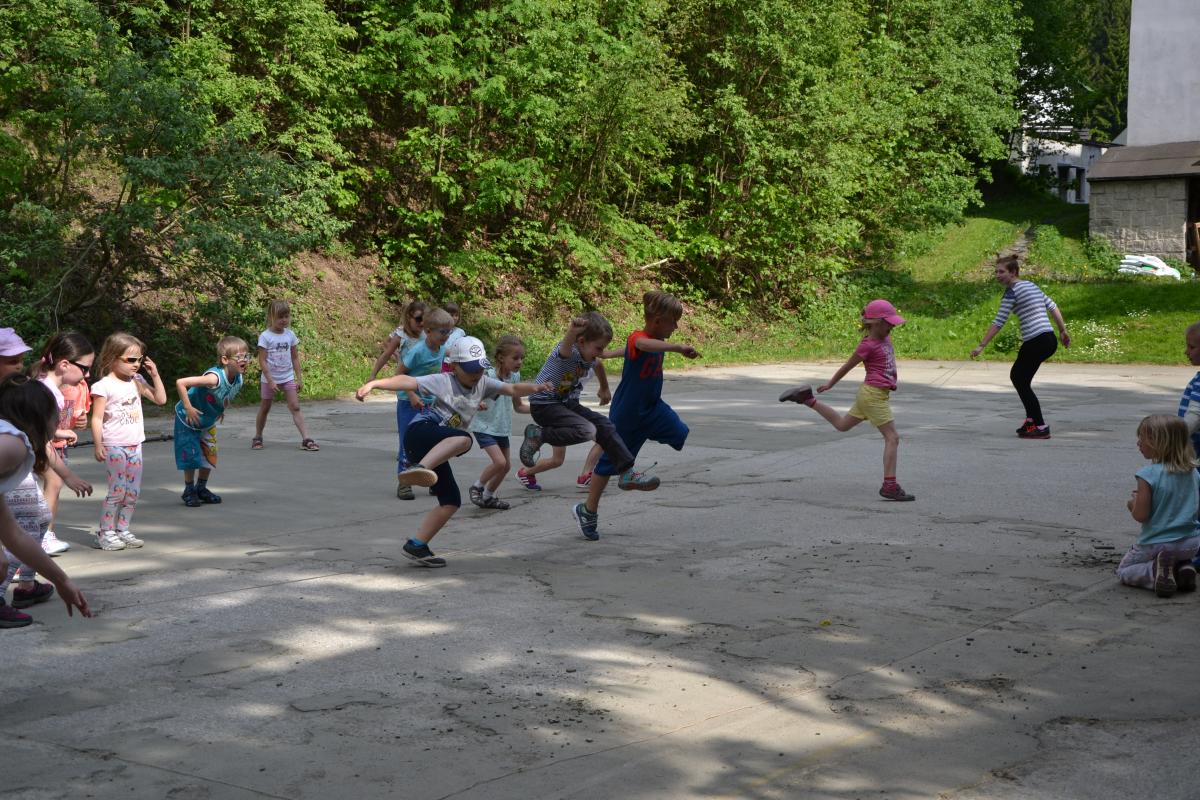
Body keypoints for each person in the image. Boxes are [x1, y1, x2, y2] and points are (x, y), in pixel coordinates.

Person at [355, 336, 552, 566]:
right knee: (464, 439)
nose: (476, 375)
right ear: (454, 366)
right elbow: (408, 381)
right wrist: (374, 384)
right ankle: (419, 468)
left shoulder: (483, 383)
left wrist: (536, 387)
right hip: (421, 433)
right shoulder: (443, 381)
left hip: (438, 446)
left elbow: (513, 388)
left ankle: (417, 545)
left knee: (451, 501)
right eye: (470, 370)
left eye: (479, 369)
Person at [573, 292, 701, 540]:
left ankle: (626, 470)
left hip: (652, 408)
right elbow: (641, 345)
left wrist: (609, 354)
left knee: (679, 434)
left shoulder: (651, 341)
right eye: (673, 322)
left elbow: (632, 350)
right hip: (628, 413)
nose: (676, 327)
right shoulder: (639, 337)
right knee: (608, 464)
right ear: (657, 321)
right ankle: (588, 510)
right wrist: (677, 347)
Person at [519, 313, 657, 521]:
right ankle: (539, 435)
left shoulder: (589, 358)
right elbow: (566, 348)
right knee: (587, 430)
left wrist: (604, 388)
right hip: (545, 404)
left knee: (606, 426)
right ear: (582, 342)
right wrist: (571, 332)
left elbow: (598, 365)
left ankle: (626, 472)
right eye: (598, 348)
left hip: (567, 403)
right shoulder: (570, 352)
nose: (600, 354)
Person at [779, 299, 915, 502]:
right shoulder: (867, 345)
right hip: (873, 396)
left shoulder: (885, 337)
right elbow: (847, 366)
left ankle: (807, 399)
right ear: (876, 323)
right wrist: (830, 384)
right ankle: (889, 486)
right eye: (889, 323)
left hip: (872, 395)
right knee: (892, 438)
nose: (893, 326)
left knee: (842, 425)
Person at [0, 373, 92, 627]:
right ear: (40, 418)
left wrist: (62, 580)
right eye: (56, 416)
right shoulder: (14, 444)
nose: (58, 424)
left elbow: (15, 536)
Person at [970, 254, 1070, 439]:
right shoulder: (1031, 285)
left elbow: (999, 321)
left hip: (1036, 340)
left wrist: (981, 345)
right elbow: (1052, 306)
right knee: (1022, 379)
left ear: (1013, 272)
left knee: (1019, 379)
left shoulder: (1012, 292)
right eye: (996, 272)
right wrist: (1062, 331)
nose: (997, 275)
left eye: (1001, 272)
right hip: (1049, 339)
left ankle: (1040, 426)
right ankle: (1031, 422)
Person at [91, 332, 167, 551]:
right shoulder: (103, 386)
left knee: (132, 492)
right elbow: (96, 418)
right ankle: (106, 532)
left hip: (135, 445)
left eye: (139, 359)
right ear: (112, 358)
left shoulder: (137, 381)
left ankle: (122, 529)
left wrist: (155, 375)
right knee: (117, 490)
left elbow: (161, 400)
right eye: (131, 359)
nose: (136, 364)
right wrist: (98, 444)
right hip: (114, 445)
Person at [1117, 415, 1200, 598]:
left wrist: (1133, 503)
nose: (1138, 443)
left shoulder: (1147, 474)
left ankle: (1155, 572)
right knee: (1172, 555)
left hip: (1158, 542)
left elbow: (1141, 515)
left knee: (1124, 571)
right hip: (1191, 543)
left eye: (1142, 439)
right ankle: (1183, 567)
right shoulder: (1193, 471)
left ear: (1158, 443)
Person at [28, 331, 96, 555]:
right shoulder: (46, 393)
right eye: (84, 368)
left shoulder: (47, 389)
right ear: (64, 364)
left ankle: (37, 545)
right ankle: (36, 544)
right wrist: (69, 476)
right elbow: (41, 441)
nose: (87, 375)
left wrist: (59, 431)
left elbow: (36, 428)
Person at [174, 336, 251, 507]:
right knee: (191, 454)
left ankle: (201, 488)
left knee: (210, 453)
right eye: (239, 357)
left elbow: (226, 394)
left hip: (207, 420)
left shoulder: (238, 378)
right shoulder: (213, 378)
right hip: (188, 418)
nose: (245, 360)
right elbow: (181, 383)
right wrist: (188, 407)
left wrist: (220, 410)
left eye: (246, 356)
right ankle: (189, 490)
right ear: (225, 360)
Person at [390, 308, 453, 499]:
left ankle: (433, 479)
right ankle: (404, 482)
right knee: (408, 442)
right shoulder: (417, 351)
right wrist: (411, 395)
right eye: (443, 332)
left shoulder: (441, 349)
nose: (446, 336)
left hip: (430, 403)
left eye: (449, 332)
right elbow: (399, 374)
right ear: (428, 331)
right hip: (409, 402)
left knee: (433, 441)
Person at [467, 336, 530, 510]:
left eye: (521, 358)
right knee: (500, 463)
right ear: (501, 357)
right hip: (484, 426)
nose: (519, 362)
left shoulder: (515, 377)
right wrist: (477, 402)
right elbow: (471, 395)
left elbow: (519, 406)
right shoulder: (488, 375)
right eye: (515, 358)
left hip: (502, 428)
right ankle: (477, 487)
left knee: (505, 466)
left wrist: (540, 409)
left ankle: (488, 497)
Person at [253, 299, 318, 451]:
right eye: (280, 317)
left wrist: (299, 378)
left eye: (286, 316)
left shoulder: (290, 335)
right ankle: (258, 436)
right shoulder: (265, 336)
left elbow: (295, 358)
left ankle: (306, 439)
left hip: (287, 377)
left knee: (295, 407)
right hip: (270, 379)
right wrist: (270, 380)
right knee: (265, 408)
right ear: (271, 317)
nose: (284, 320)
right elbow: (262, 360)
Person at [369, 300, 429, 381]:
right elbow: (386, 355)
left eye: (425, 319)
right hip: (404, 378)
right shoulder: (400, 335)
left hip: (422, 378)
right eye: (418, 319)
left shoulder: (428, 333)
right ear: (409, 317)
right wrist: (373, 375)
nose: (422, 323)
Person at [516, 443, 602, 492]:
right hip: (560, 422)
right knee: (557, 460)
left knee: (557, 460)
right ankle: (525, 473)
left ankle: (585, 477)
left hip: (565, 421)